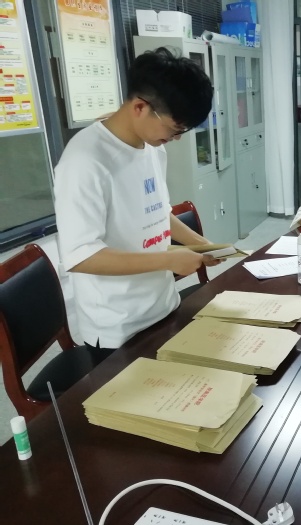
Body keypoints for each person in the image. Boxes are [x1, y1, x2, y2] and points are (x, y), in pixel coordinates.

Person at [54, 47, 219, 353]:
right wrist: (170, 260)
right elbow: (81, 257)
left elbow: (157, 213)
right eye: (175, 128)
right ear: (141, 107)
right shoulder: (85, 161)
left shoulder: (153, 147)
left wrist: (202, 244)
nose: (176, 138)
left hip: (162, 305)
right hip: (118, 327)